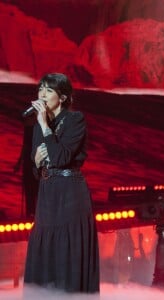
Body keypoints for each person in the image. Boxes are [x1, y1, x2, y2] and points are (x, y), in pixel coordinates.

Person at [23, 73, 100, 294]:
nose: (42, 94)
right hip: (48, 193)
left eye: (48, 90)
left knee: (67, 249)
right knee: (44, 245)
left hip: (70, 192)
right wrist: (36, 164)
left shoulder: (75, 120)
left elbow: (60, 157)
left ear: (63, 97)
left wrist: (44, 126)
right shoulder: (40, 124)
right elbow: (37, 167)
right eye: (40, 89)